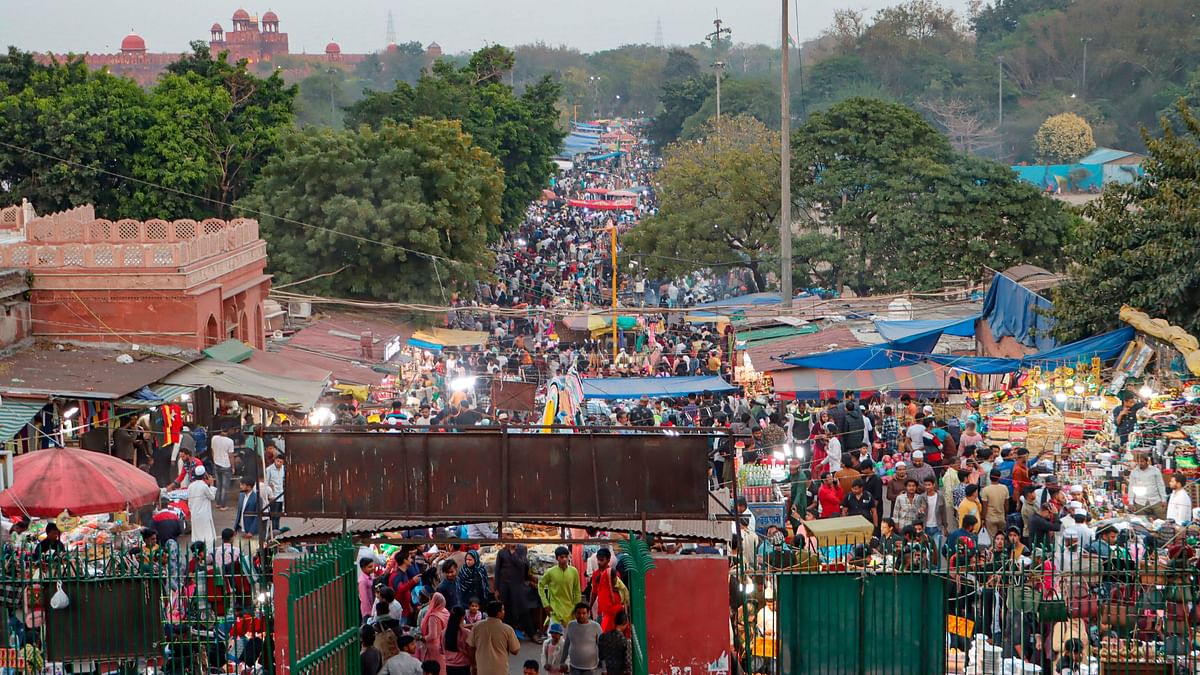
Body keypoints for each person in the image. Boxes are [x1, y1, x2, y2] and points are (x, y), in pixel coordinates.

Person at [494, 543, 536, 639]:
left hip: (518, 585)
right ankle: (507, 635)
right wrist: (496, 589)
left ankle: (531, 633)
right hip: (504, 585)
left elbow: (521, 564)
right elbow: (497, 571)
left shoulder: (522, 549)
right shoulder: (501, 552)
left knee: (523, 609)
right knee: (506, 610)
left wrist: (513, 553)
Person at [468, 601, 520, 675]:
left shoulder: (477, 627)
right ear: (499, 613)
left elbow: (471, 648)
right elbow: (515, 650)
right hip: (500, 670)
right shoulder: (507, 629)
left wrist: (473, 666)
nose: (504, 612)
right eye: (503, 610)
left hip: (482, 670)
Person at [540, 546, 583, 629]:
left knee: (568, 638)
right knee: (554, 637)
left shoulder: (574, 571)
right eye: (562, 557)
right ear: (557, 558)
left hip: (570, 610)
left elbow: (577, 591)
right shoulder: (550, 572)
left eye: (566, 557)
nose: (564, 559)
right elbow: (540, 586)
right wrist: (545, 604)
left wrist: (577, 607)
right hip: (555, 610)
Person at [560, 602, 602, 675]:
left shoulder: (596, 627)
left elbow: (602, 647)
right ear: (575, 614)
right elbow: (566, 645)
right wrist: (562, 661)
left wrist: (604, 668)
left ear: (588, 613)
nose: (581, 616)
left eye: (584, 613)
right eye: (578, 613)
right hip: (574, 666)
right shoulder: (571, 625)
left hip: (591, 668)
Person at [1127, 452, 1168, 519]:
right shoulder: (1134, 472)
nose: (1140, 463)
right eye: (1138, 461)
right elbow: (1131, 487)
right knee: (1142, 522)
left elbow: (1161, 485)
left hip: (1155, 501)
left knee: (1162, 519)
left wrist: (1164, 499)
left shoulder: (1155, 471)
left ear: (1147, 461)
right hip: (1140, 502)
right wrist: (1131, 502)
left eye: (1142, 461)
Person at [187, 465, 218, 546]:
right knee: (207, 536)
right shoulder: (204, 486)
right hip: (204, 515)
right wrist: (211, 485)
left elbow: (189, 501)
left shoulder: (190, 486)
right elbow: (212, 497)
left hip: (194, 514)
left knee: (197, 535)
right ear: (204, 475)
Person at [419, 592, 449, 672]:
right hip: (443, 643)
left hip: (434, 647)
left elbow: (432, 635)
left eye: (430, 600)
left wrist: (423, 638)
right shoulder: (445, 612)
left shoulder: (433, 616)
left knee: (434, 669)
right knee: (442, 666)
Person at [916, 477, 949, 551]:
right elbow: (917, 515)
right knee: (926, 550)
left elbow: (943, 512)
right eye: (926, 485)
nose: (927, 487)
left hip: (937, 527)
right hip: (925, 527)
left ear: (934, 485)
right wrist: (920, 511)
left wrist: (945, 527)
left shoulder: (940, 496)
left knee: (937, 549)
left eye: (929, 485)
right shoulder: (921, 498)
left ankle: (935, 562)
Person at [597, 609, 632, 675]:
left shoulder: (603, 637)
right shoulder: (625, 641)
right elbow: (628, 662)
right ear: (625, 623)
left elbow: (600, 656)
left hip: (608, 671)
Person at [980, 470, 1010, 538]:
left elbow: (985, 507)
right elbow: (1006, 505)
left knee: (993, 539)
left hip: (990, 518)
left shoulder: (986, 490)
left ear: (990, 477)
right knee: (1001, 538)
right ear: (999, 477)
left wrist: (983, 518)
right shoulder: (1004, 488)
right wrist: (1005, 515)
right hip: (1001, 517)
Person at [210, 428, 235, 510]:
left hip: (216, 464)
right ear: (228, 431)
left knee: (218, 484)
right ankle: (223, 505)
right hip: (226, 465)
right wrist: (233, 467)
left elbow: (212, 451)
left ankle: (217, 503)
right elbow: (231, 455)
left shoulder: (214, 438)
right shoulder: (230, 441)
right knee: (225, 486)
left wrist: (215, 460)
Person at [265, 452, 285, 531]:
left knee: (279, 515)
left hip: (281, 495)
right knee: (274, 515)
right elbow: (267, 482)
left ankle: (277, 530)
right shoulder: (269, 469)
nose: (279, 463)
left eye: (281, 462)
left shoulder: (283, 468)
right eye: (278, 461)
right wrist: (270, 487)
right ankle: (273, 531)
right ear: (275, 460)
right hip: (273, 496)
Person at [360, 558, 379, 622]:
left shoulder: (369, 577)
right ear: (363, 568)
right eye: (370, 567)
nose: (373, 568)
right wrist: (370, 613)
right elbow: (364, 599)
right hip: (368, 612)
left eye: (373, 566)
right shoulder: (363, 581)